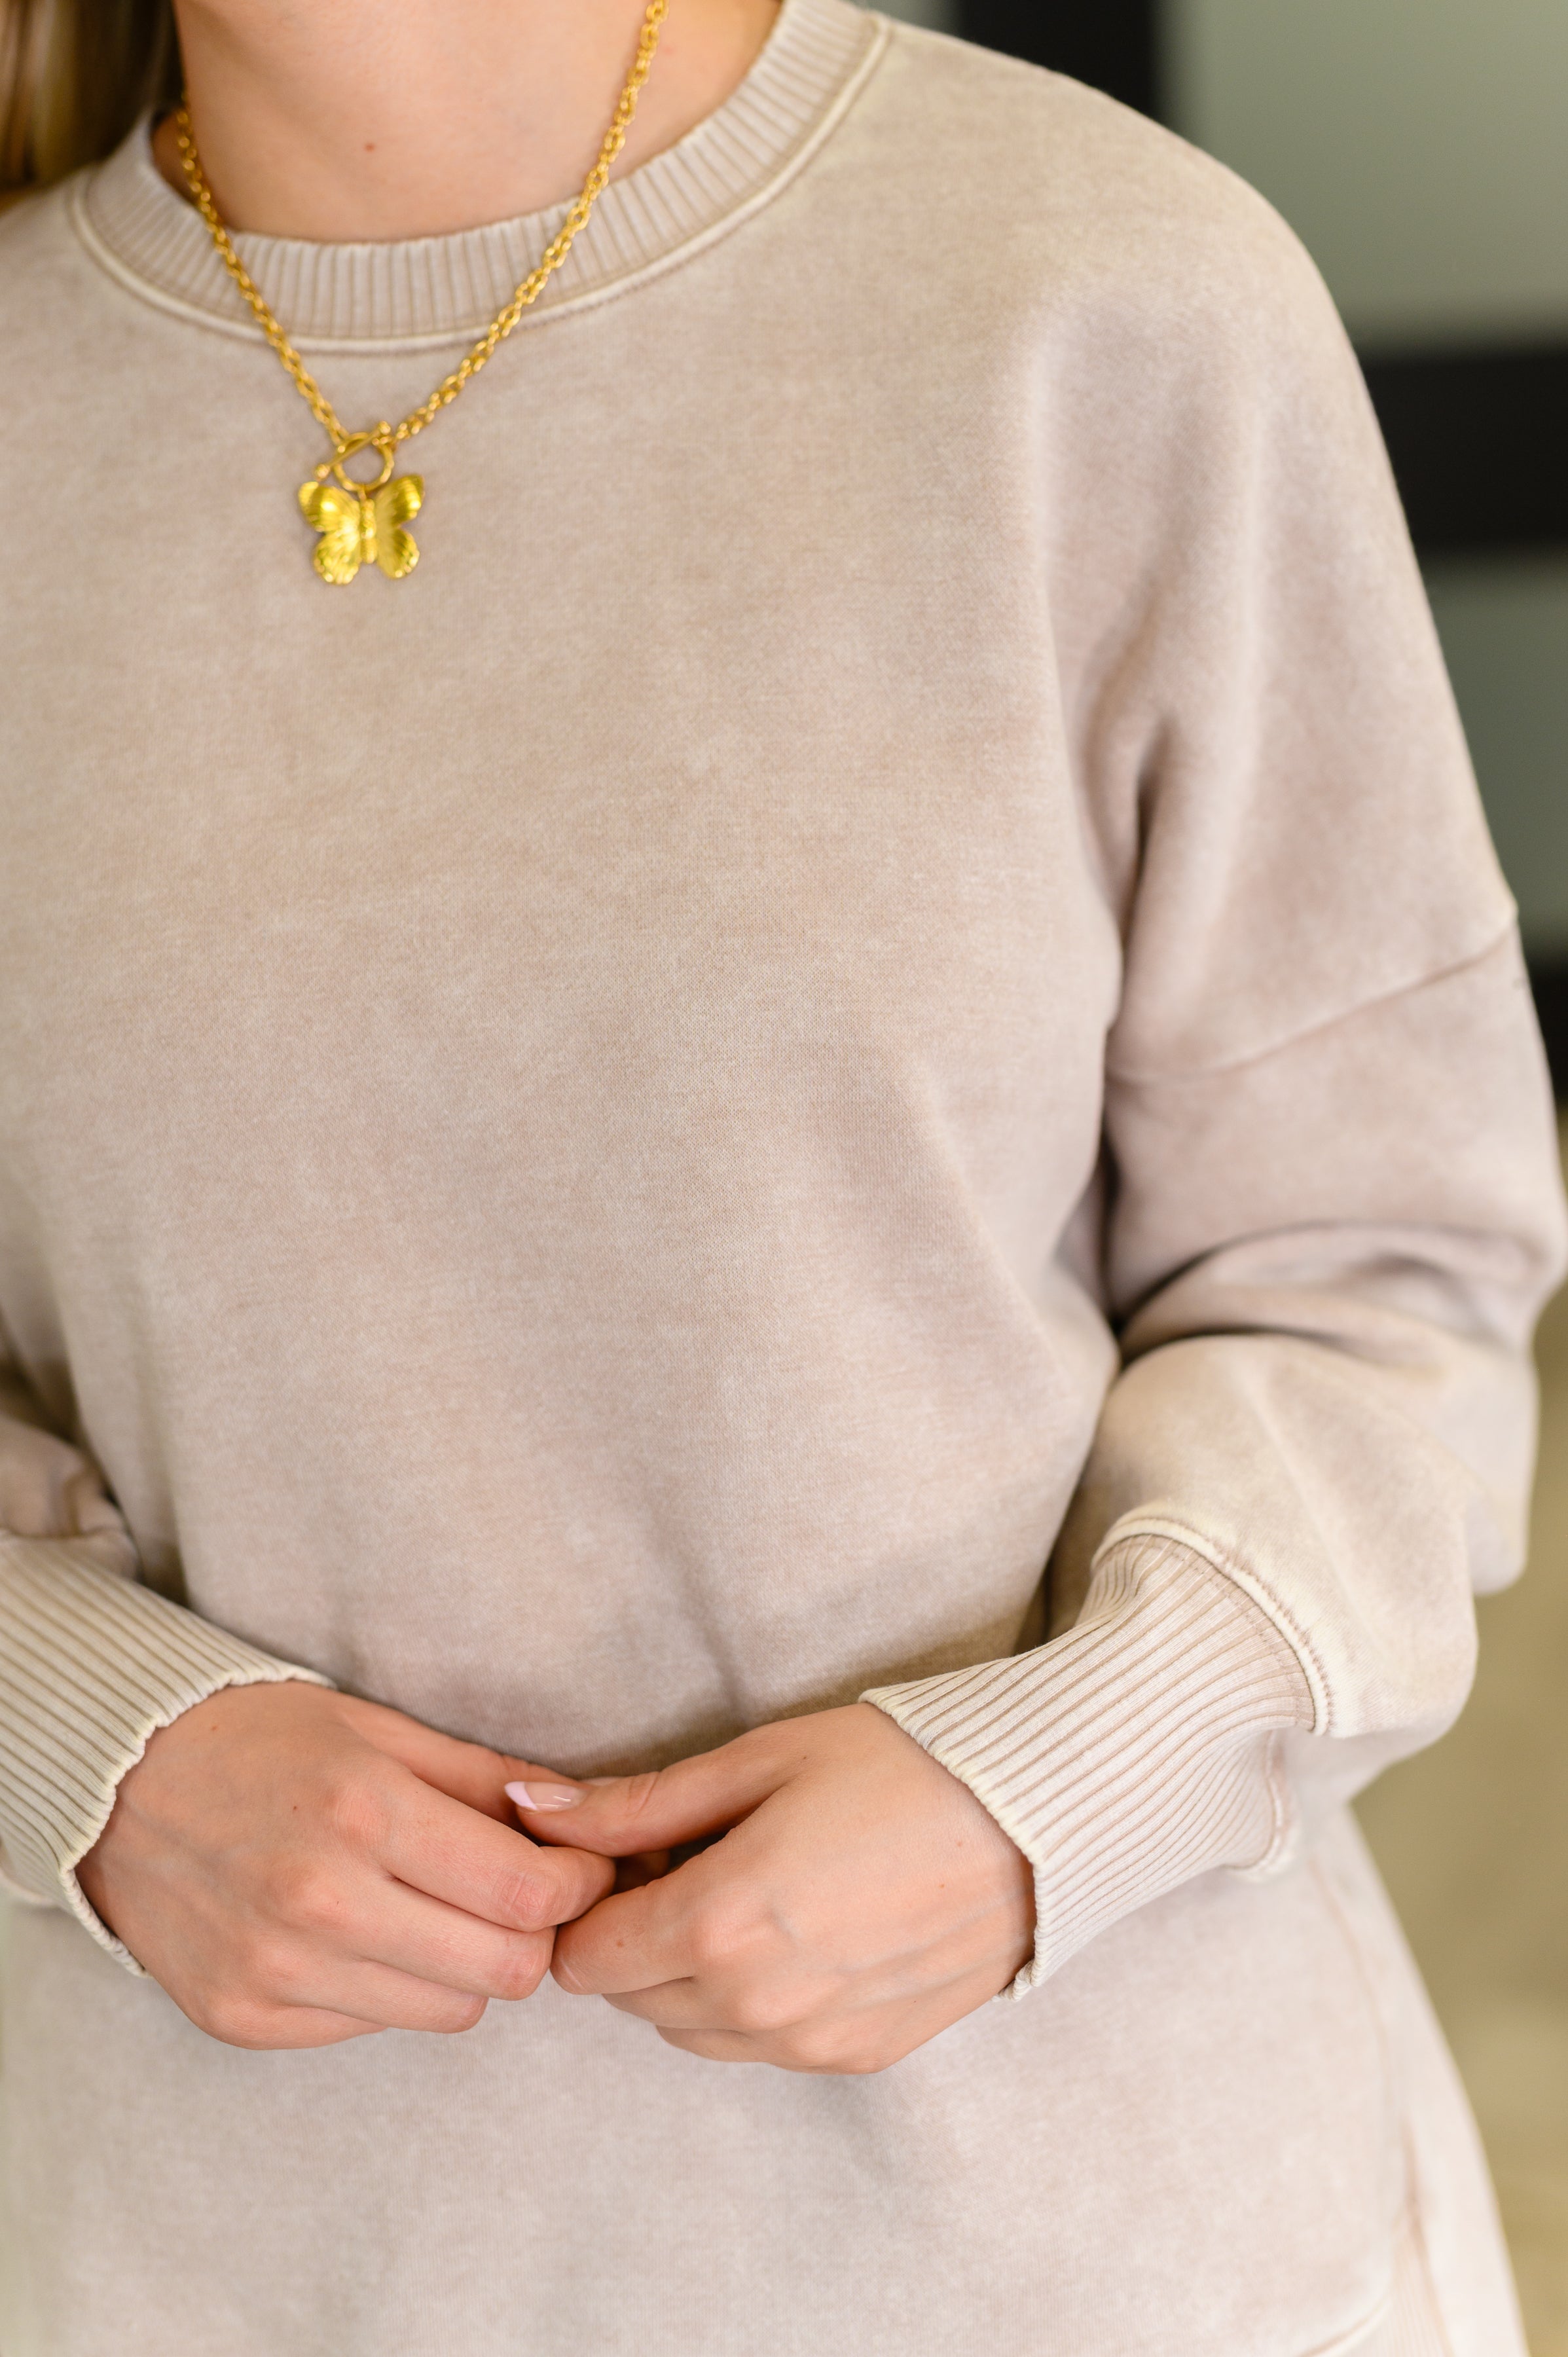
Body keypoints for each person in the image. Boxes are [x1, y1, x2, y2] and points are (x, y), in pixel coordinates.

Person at [0, 1, 1562, 2349]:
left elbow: (1376, 1269)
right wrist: (74, 1733)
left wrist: (1054, 1789)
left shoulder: (1095, 291)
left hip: (1107, 2251)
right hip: (213, 2268)